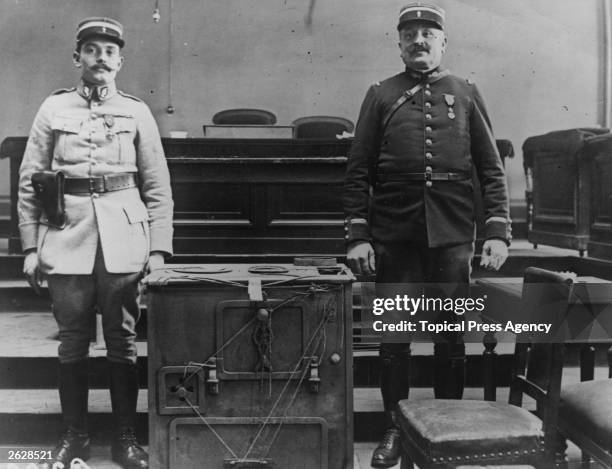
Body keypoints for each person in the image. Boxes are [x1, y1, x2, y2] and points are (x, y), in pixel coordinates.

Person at [343, 3, 510, 467]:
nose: (419, 40)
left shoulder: (466, 92)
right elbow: (358, 173)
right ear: (399, 44)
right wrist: (359, 235)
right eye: (410, 33)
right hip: (394, 233)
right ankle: (396, 429)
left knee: (449, 337)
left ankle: (447, 430)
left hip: (454, 232)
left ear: (443, 42)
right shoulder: (380, 95)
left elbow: (491, 171)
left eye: (428, 33)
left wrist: (496, 230)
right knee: (394, 341)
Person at [18, 17, 174, 469]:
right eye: (91, 49)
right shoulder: (53, 109)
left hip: (124, 236)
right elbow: (30, 182)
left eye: (109, 51)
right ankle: (74, 436)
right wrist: (31, 248)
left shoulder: (137, 111)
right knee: (72, 341)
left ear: (120, 60)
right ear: (77, 57)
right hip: (66, 235)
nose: (100, 57)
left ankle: (125, 439)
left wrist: (159, 250)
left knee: (122, 341)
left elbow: (158, 186)